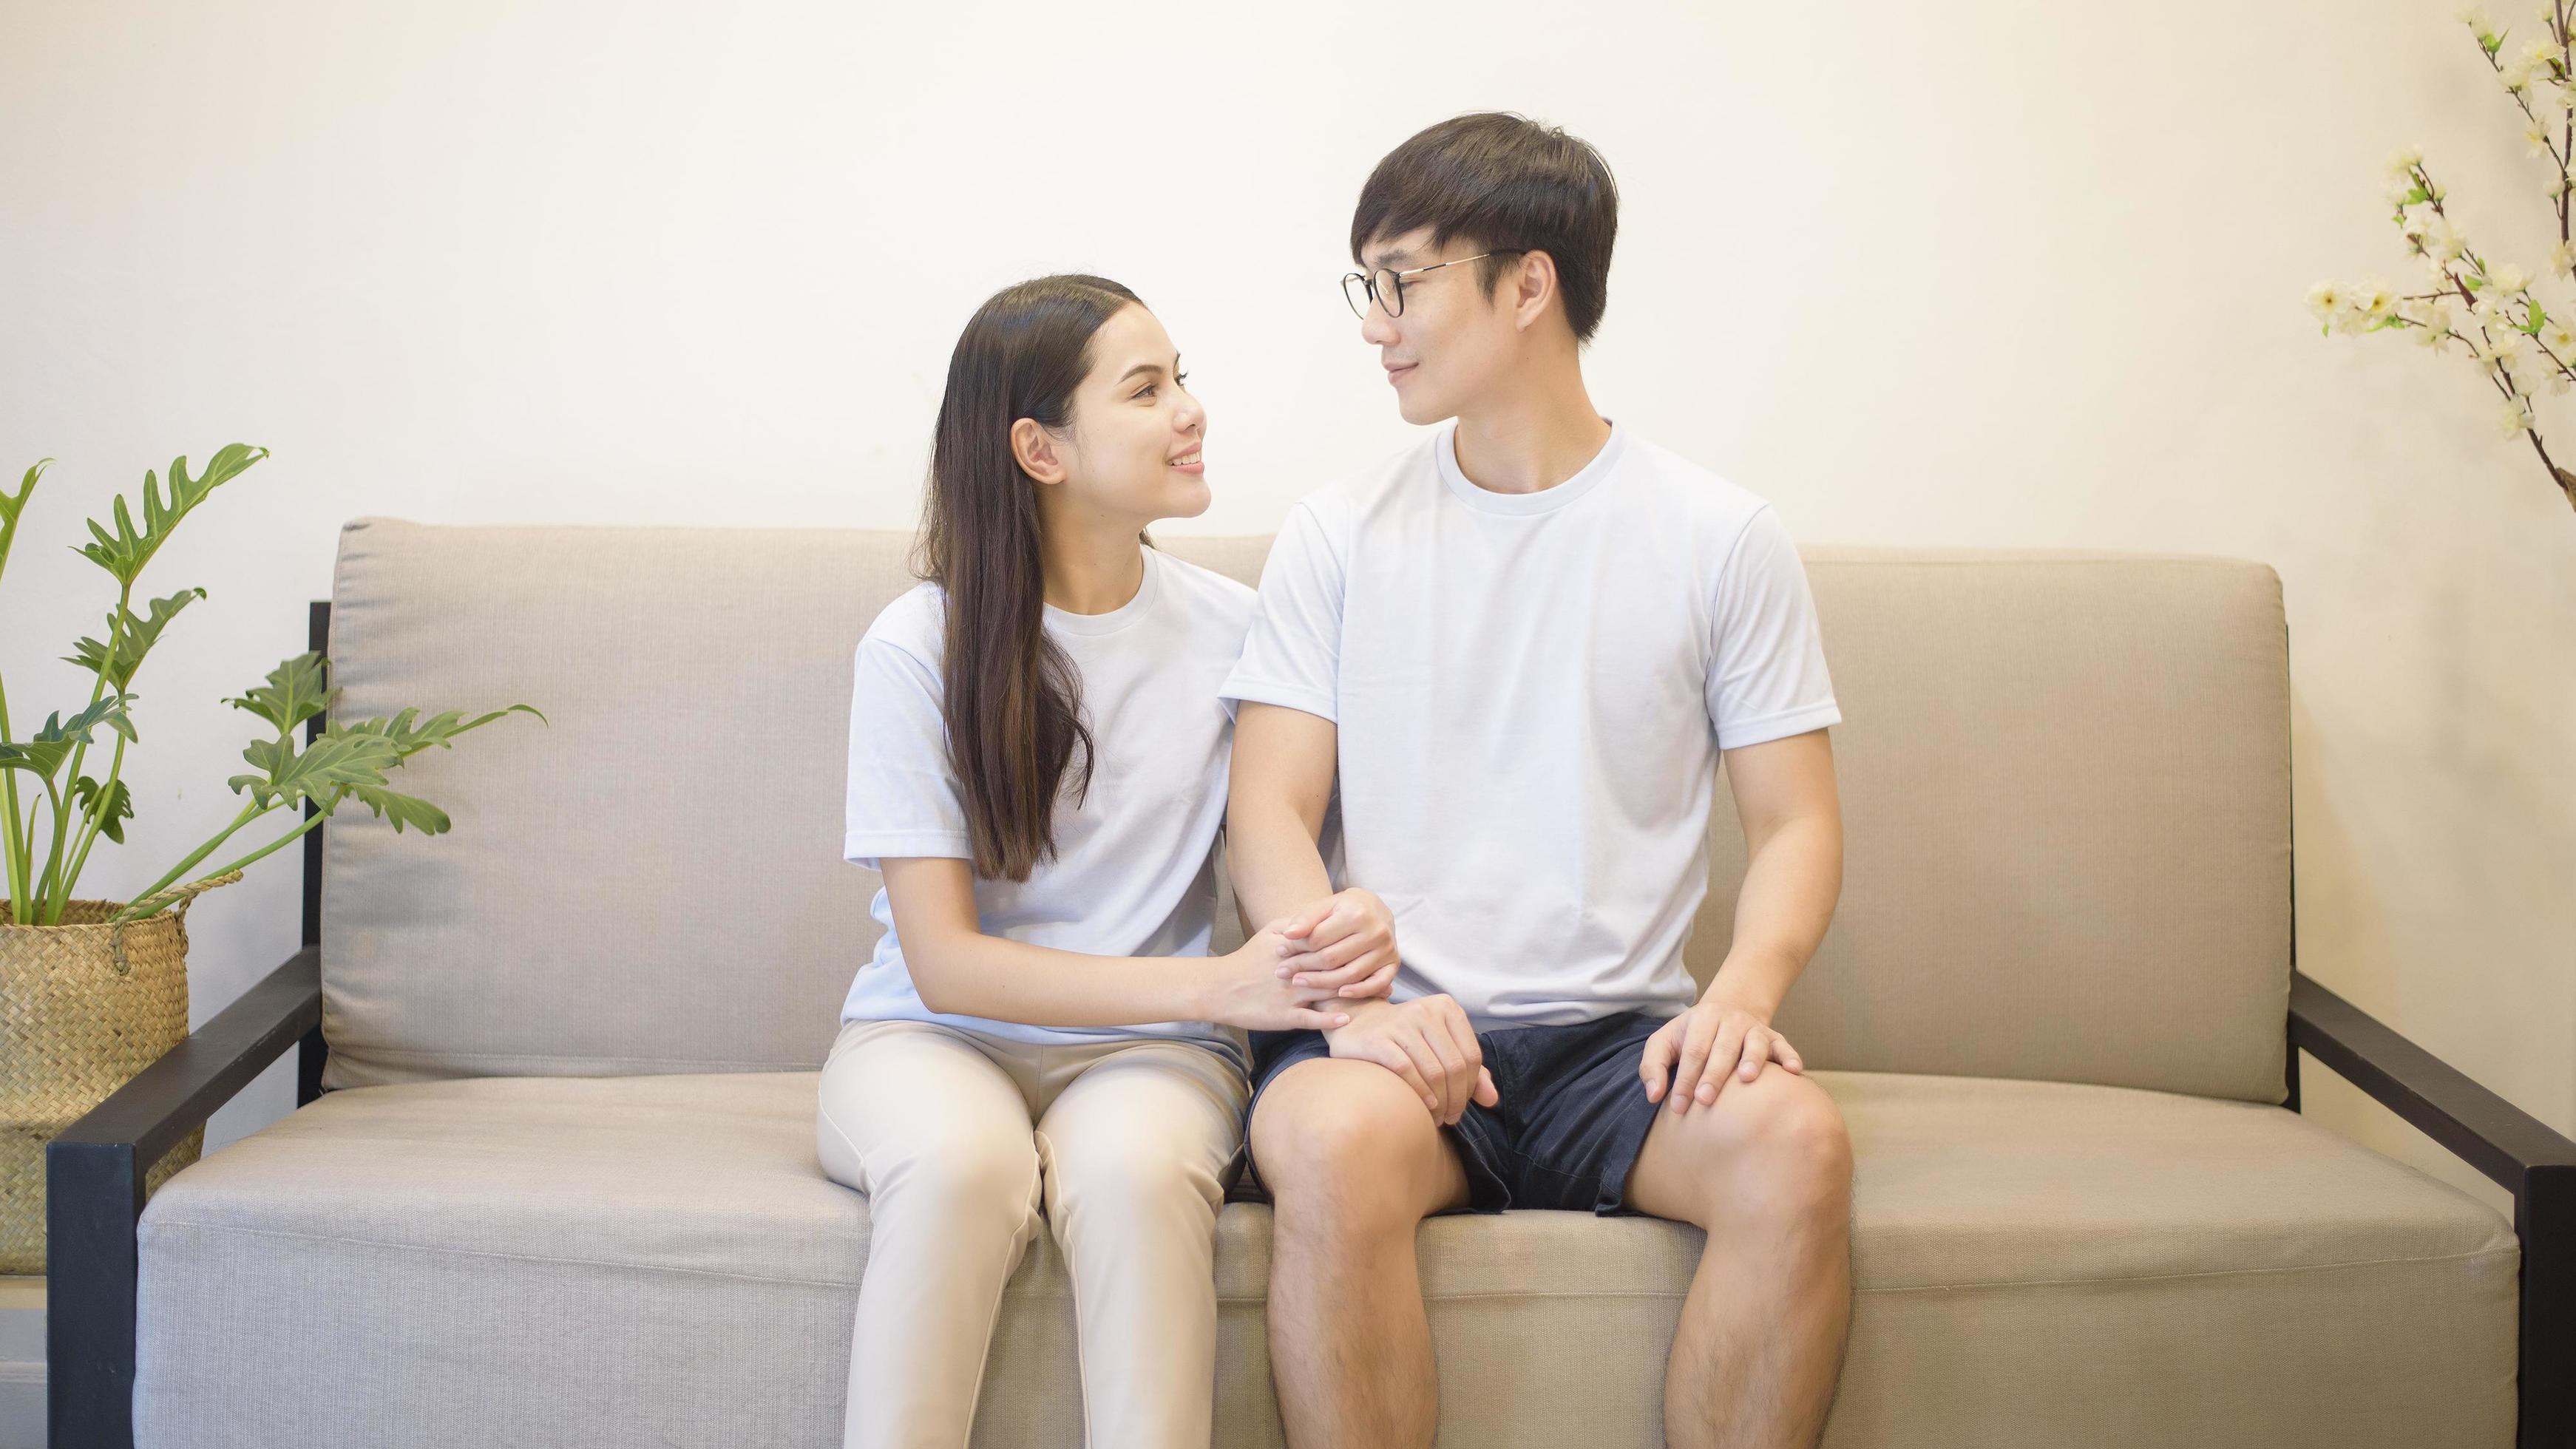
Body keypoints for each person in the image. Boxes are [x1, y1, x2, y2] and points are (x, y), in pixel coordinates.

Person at [1221, 114, 1857, 1449]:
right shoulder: (1339, 535)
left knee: (1796, 1147)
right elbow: (1269, 815)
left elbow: (1796, 824)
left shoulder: (1718, 537)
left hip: (1618, 1044)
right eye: (1367, 285)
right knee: (1329, 1146)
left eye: (1403, 281)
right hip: (1395, 1037)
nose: (1374, 321)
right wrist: (1357, 1009)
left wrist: (1742, 998)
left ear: (1528, 285)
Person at [817, 274, 1389, 1449]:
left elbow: (1311, 853)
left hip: (1154, 1058)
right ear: (1040, 449)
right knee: (961, 1167)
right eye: (1146, 388)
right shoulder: (918, 646)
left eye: (1182, 377)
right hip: (930, 1039)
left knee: (1134, 1179)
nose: (1190, 410)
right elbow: (947, 967)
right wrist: (1223, 987)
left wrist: (1357, 926)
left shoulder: (1242, 631)